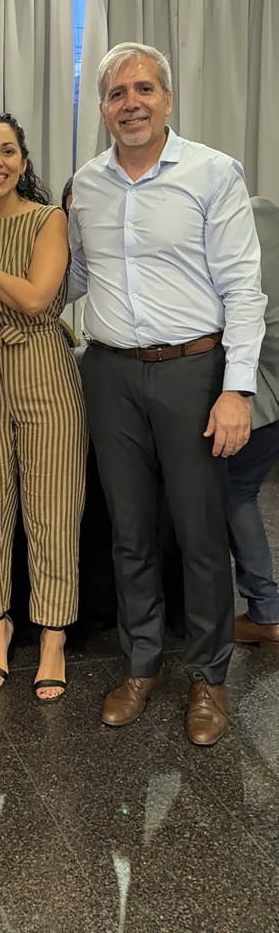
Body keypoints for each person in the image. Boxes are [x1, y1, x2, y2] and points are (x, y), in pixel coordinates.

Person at [68, 42, 267, 746]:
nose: (131, 103)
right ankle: (141, 663)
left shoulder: (213, 173)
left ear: (167, 99)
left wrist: (236, 390)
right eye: (117, 93)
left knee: (199, 532)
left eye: (143, 89)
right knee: (128, 531)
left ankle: (208, 677)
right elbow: (74, 279)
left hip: (193, 372)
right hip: (110, 373)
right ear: (102, 110)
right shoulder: (84, 185)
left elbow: (244, 289)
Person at [0, 112, 87, 703]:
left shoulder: (49, 219)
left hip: (44, 372)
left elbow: (34, 298)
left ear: (23, 162)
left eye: (7, 150)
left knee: (54, 509)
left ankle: (53, 637)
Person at [228, 197, 279, 650]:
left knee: (236, 495)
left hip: (262, 394)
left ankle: (266, 611)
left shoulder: (237, 232)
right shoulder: (265, 212)